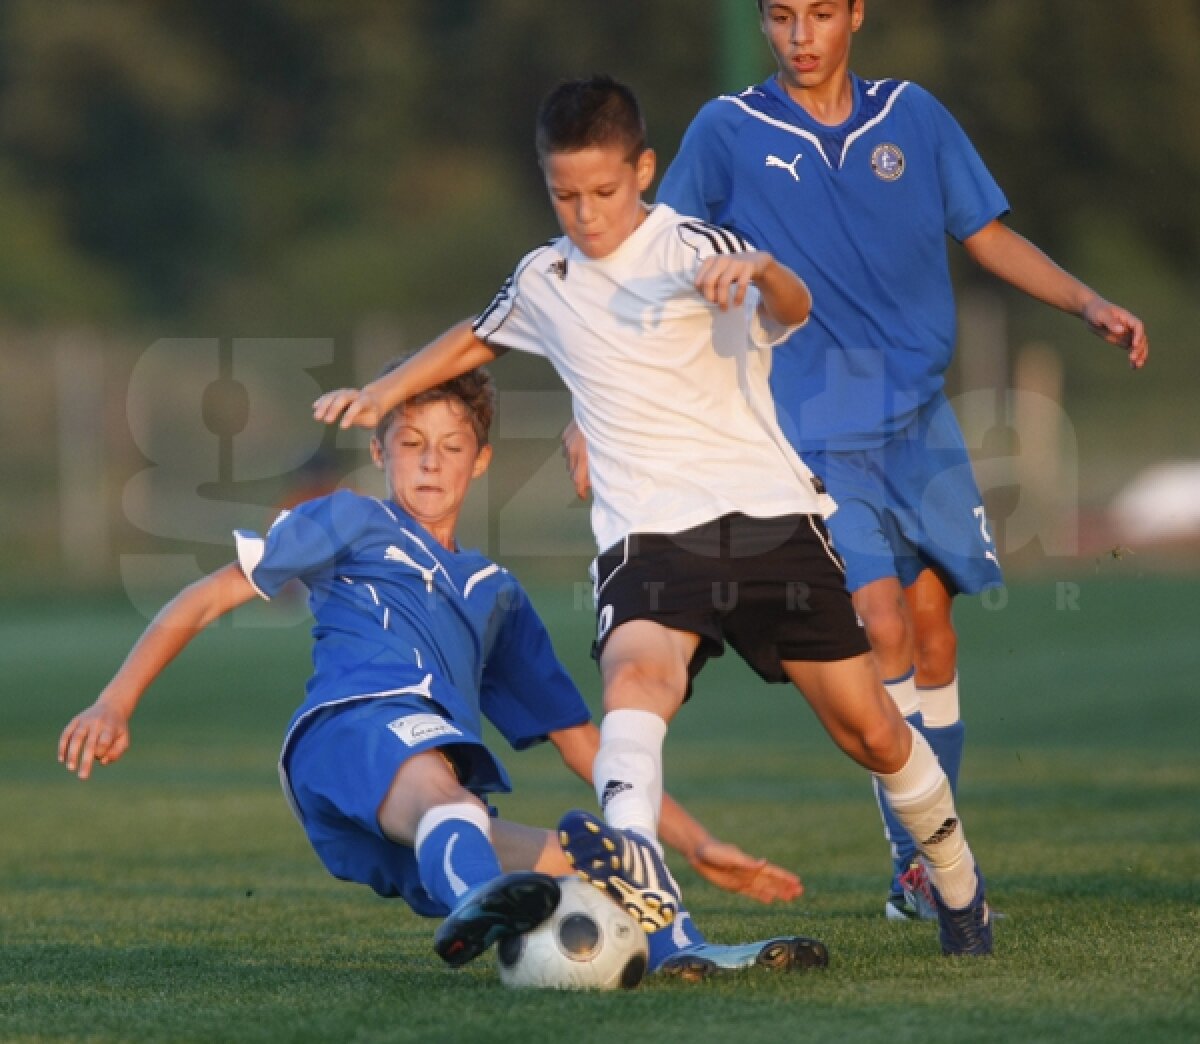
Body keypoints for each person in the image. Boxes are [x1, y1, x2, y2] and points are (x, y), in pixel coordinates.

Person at [313, 75, 994, 957]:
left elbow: (795, 308)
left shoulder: (696, 248)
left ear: (644, 170)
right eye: (565, 195)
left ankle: (958, 886)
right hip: (649, 538)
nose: (586, 214)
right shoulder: (545, 275)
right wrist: (380, 392)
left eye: (603, 192)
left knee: (871, 731)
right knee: (636, 684)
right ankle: (643, 898)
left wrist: (767, 272)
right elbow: (476, 333)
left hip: (771, 521)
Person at [633, 0, 1149, 921]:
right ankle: (922, 862)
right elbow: (655, 256)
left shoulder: (912, 117)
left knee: (931, 630)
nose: (801, 35)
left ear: (856, 15)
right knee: (877, 625)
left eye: (820, 13)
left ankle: (922, 855)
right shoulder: (727, 129)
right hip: (812, 429)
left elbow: (985, 235)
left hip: (920, 420)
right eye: (781, 16)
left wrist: (1087, 302)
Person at [58, 365, 818, 978]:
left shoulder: (498, 596)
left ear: (481, 461)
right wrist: (113, 702)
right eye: (412, 441)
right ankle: (479, 897)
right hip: (348, 735)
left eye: (452, 446)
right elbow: (209, 592)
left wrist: (692, 843)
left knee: (607, 862)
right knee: (440, 788)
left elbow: (583, 741)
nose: (431, 460)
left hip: (428, 801)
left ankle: (680, 951)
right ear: (382, 451)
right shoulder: (350, 517)